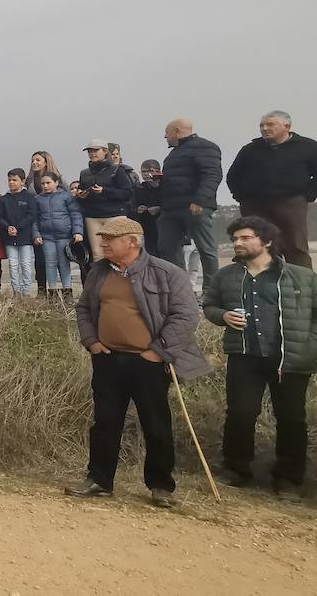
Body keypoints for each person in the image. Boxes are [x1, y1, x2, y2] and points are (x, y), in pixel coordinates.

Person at [67, 217, 210, 508]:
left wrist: (159, 351)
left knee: (155, 423)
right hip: (107, 360)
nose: (103, 243)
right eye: (102, 238)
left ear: (132, 242)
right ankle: (99, 480)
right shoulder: (98, 271)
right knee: (105, 423)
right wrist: (92, 341)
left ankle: (161, 486)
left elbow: (185, 316)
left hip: (150, 362)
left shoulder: (166, 272)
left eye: (110, 239)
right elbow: (83, 309)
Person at [202, 216, 317, 498]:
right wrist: (222, 316)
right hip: (244, 356)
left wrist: (310, 348)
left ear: (267, 241)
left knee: (291, 418)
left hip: (290, 359)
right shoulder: (225, 276)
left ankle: (288, 479)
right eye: (235, 238)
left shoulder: (301, 276)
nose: (237, 243)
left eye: (245, 237)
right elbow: (210, 305)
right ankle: (236, 470)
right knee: (240, 414)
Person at [227, 111, 317, 268]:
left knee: (295, 247)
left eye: (270, 125)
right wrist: (241, 197)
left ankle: (302, 288)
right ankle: (264, 287)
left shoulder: (308, 146)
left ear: (287, 126)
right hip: (255, 206)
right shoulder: (250, 150)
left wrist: (310, 194)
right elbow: (233, 176)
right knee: (261, 248)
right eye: (261, 125)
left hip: (291, 204)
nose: (264, 128)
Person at [157, 120, 223, 280]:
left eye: (167, 132)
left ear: (177, 131)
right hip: (171, 208)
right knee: (167, 247)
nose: (165, 136)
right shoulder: (174, 153)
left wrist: (200, 200)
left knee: (205, 248)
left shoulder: (205, 147)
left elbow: (212, 175)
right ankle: (178, 286)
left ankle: (211, 289)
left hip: (195, 206)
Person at [73, 140, 137, 260]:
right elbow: (82, 196)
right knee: (98, 254)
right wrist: (81, 196)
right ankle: (104, 279)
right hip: (93, 216)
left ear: (105, 151)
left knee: (118, 252)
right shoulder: (84, 173)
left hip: (115, 215)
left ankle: (121, 279)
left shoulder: (117, 170)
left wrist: (104, 191)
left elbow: (127, 193)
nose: (92, 153)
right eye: (90, 151)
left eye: (96, 150)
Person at [33, 172, 85, 301]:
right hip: (46, 237)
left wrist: (77, 232)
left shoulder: (66, 197)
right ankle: (52, 292)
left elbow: (75, 214)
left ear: (56, 183)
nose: (45, 186)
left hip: (64, 236)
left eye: (48, 183)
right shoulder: (38, 199)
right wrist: (36, 234)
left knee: (64, 263)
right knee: (50, 263)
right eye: (43, 183)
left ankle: (67, 292)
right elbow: (34, 219)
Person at [0, 169, 38, 297]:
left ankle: (25, 291)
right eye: (9, 180)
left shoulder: (29, 197)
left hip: (24, 236)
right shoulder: (4, 199)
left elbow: (31, 215)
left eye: (14, 180)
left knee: (26, 264)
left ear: (22, 181)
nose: (11, 182)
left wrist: (18, 227)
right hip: (9, 237)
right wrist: (8, 227)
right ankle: (16, 290)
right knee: (13, 264)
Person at [27, 153, 62, 295]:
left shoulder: (57, 179)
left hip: (56, 224)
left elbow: (64, 198)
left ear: (46, 162)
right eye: (32, 160)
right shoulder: (29, 181)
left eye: (38, 160)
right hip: (36, 223)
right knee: (40, 260)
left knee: (58, 259)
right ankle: (42, 290)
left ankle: (62, 290)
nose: (34, 163)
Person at [133, 159, 164, 255]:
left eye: (149, 170)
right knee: (151, 253)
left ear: (158, 171)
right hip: (148, 227)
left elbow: (174, 202)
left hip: (165, 224)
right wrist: (138, 209)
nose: (146, 174)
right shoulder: (139, 188)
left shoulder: (166, 185)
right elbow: (132, 205)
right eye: (143, 171)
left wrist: (159, 208)